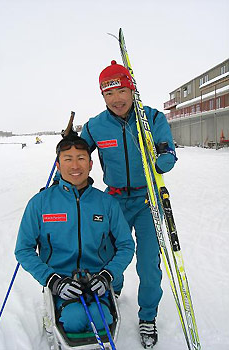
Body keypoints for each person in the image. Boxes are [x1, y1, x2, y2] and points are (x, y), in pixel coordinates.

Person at [80, 60, 177, 348]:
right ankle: (114, 290)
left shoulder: (152, 118)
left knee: (148, 264)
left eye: (121, 90)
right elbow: (78, 157)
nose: (116, 99)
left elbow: (165, 146)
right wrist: (68, 150)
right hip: (114, 201)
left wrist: (165, 158)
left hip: (147, 199)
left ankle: (148, 315)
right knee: (110, 255)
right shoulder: (95, 126)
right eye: (108, 94)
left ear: (132, 89)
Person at [15, 135, 135, 334]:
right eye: (68, 159)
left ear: (90, 164)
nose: (75, 165)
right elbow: (23, 249)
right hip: (60, 282)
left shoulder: (106, 203)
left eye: (80, 158)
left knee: (102, 320)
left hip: (97, 281)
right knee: (74, 320)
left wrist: (107, 275)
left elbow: (126, 245)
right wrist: (52, 280)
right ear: (58, 165)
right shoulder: (40, 203)